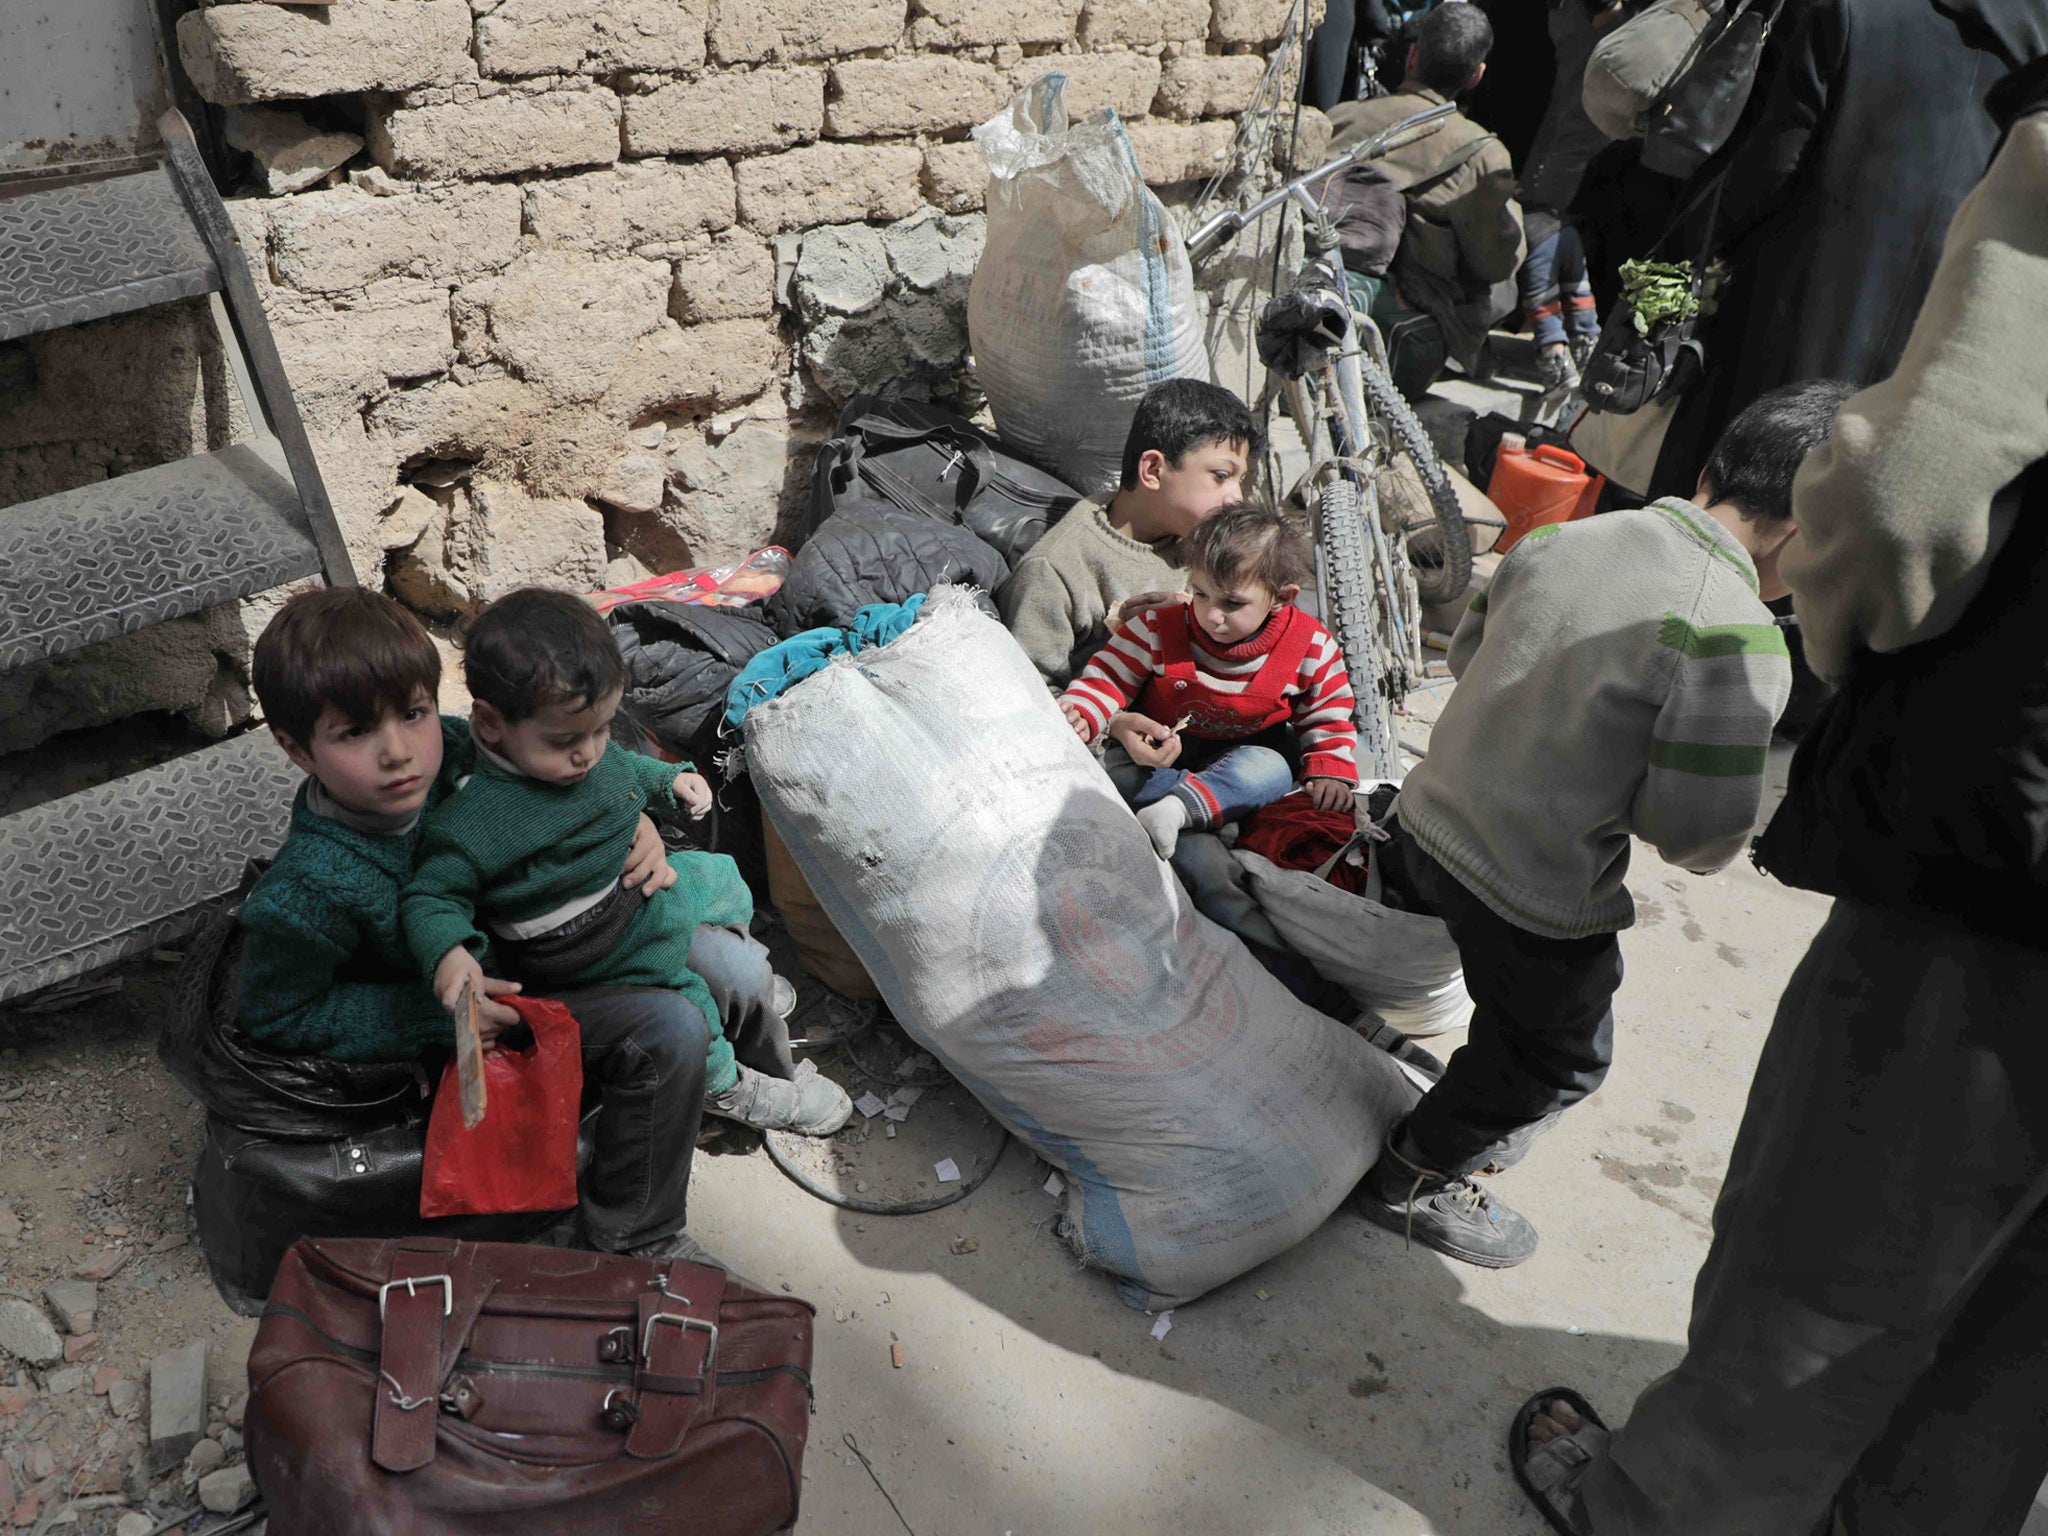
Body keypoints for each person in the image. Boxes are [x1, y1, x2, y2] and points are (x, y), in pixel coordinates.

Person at [1510, 85, 2048, 1536]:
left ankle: (1662, 1516)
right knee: (2020, 1332)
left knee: (1844, 1254)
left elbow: (1907, 493)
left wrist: (1828, 627)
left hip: (2007, 824)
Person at [1353, 381, 1850, 1268]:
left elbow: (1469, 658)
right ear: (1805, 533)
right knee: (1559, 1058)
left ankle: (1427, 1073)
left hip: (1426, 820)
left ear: (1709, 470)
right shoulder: (1736, 634)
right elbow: (1696, 836)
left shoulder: (1558, 537)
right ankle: (1413, 1174)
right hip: (1532, 891)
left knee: (1494, 999)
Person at [236, 586, 781, 1261]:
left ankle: (741, 1086)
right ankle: (639, 1234)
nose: (399, 751)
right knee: (669, 1027)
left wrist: (631, 825)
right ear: (296, 749)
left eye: (412, 713)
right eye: (355, 732)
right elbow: (273, 1013)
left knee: (732, 958)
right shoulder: (311, 888)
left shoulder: (463, 749)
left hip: (565, 941)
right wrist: (440, 1014)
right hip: (496, 1007)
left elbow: (571, 777)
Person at [400, 587, 851, 1139]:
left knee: (724, 878)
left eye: (602, 728)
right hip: (597, 949)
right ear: (491, 724)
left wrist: (670, 782)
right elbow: (431, 896)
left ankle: (747, 995)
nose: (588, 751)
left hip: (635, 898)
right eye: (567, 739)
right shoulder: (475, 818)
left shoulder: (579, 754)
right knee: (690, 1006)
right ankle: (728, 1088)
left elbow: (624, 771)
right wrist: (448, 955)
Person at [1646, 0, 2047, 501]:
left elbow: (1763, 175)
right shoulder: (2036, 82)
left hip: (1781, 342)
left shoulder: (1856, 15)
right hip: (1918, 382)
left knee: (1723, 524)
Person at [1058, 501, 1359, 867]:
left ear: (1282, 597)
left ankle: (1179, 809)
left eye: (1232, 603)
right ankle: (1216, 807)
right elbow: (1109, 676)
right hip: (1160, 756)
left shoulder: (1309, 647)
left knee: (1274, 770)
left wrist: (1329, 767)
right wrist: (1083, 711)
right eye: (1201, 594)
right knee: (1105, 772)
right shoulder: (1159, 627)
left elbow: (1327, 715)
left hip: (1242, 757)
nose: (1211, 615)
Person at [999, 378, 1262, 690]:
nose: (1236, 498)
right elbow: (1032, 698)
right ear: (1152, 470)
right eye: (1221, 476)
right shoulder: (1057, 572)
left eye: (1240, 480)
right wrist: (1115, 724)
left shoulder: (1213, 546)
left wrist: (1193, 621)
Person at [1324, 2, 1525, 392]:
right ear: (1476, 76)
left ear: (1412, 56)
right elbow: (1496, 263)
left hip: (1317, 307)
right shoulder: (1482, 152)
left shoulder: (1341, 116)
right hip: (1401, 337)